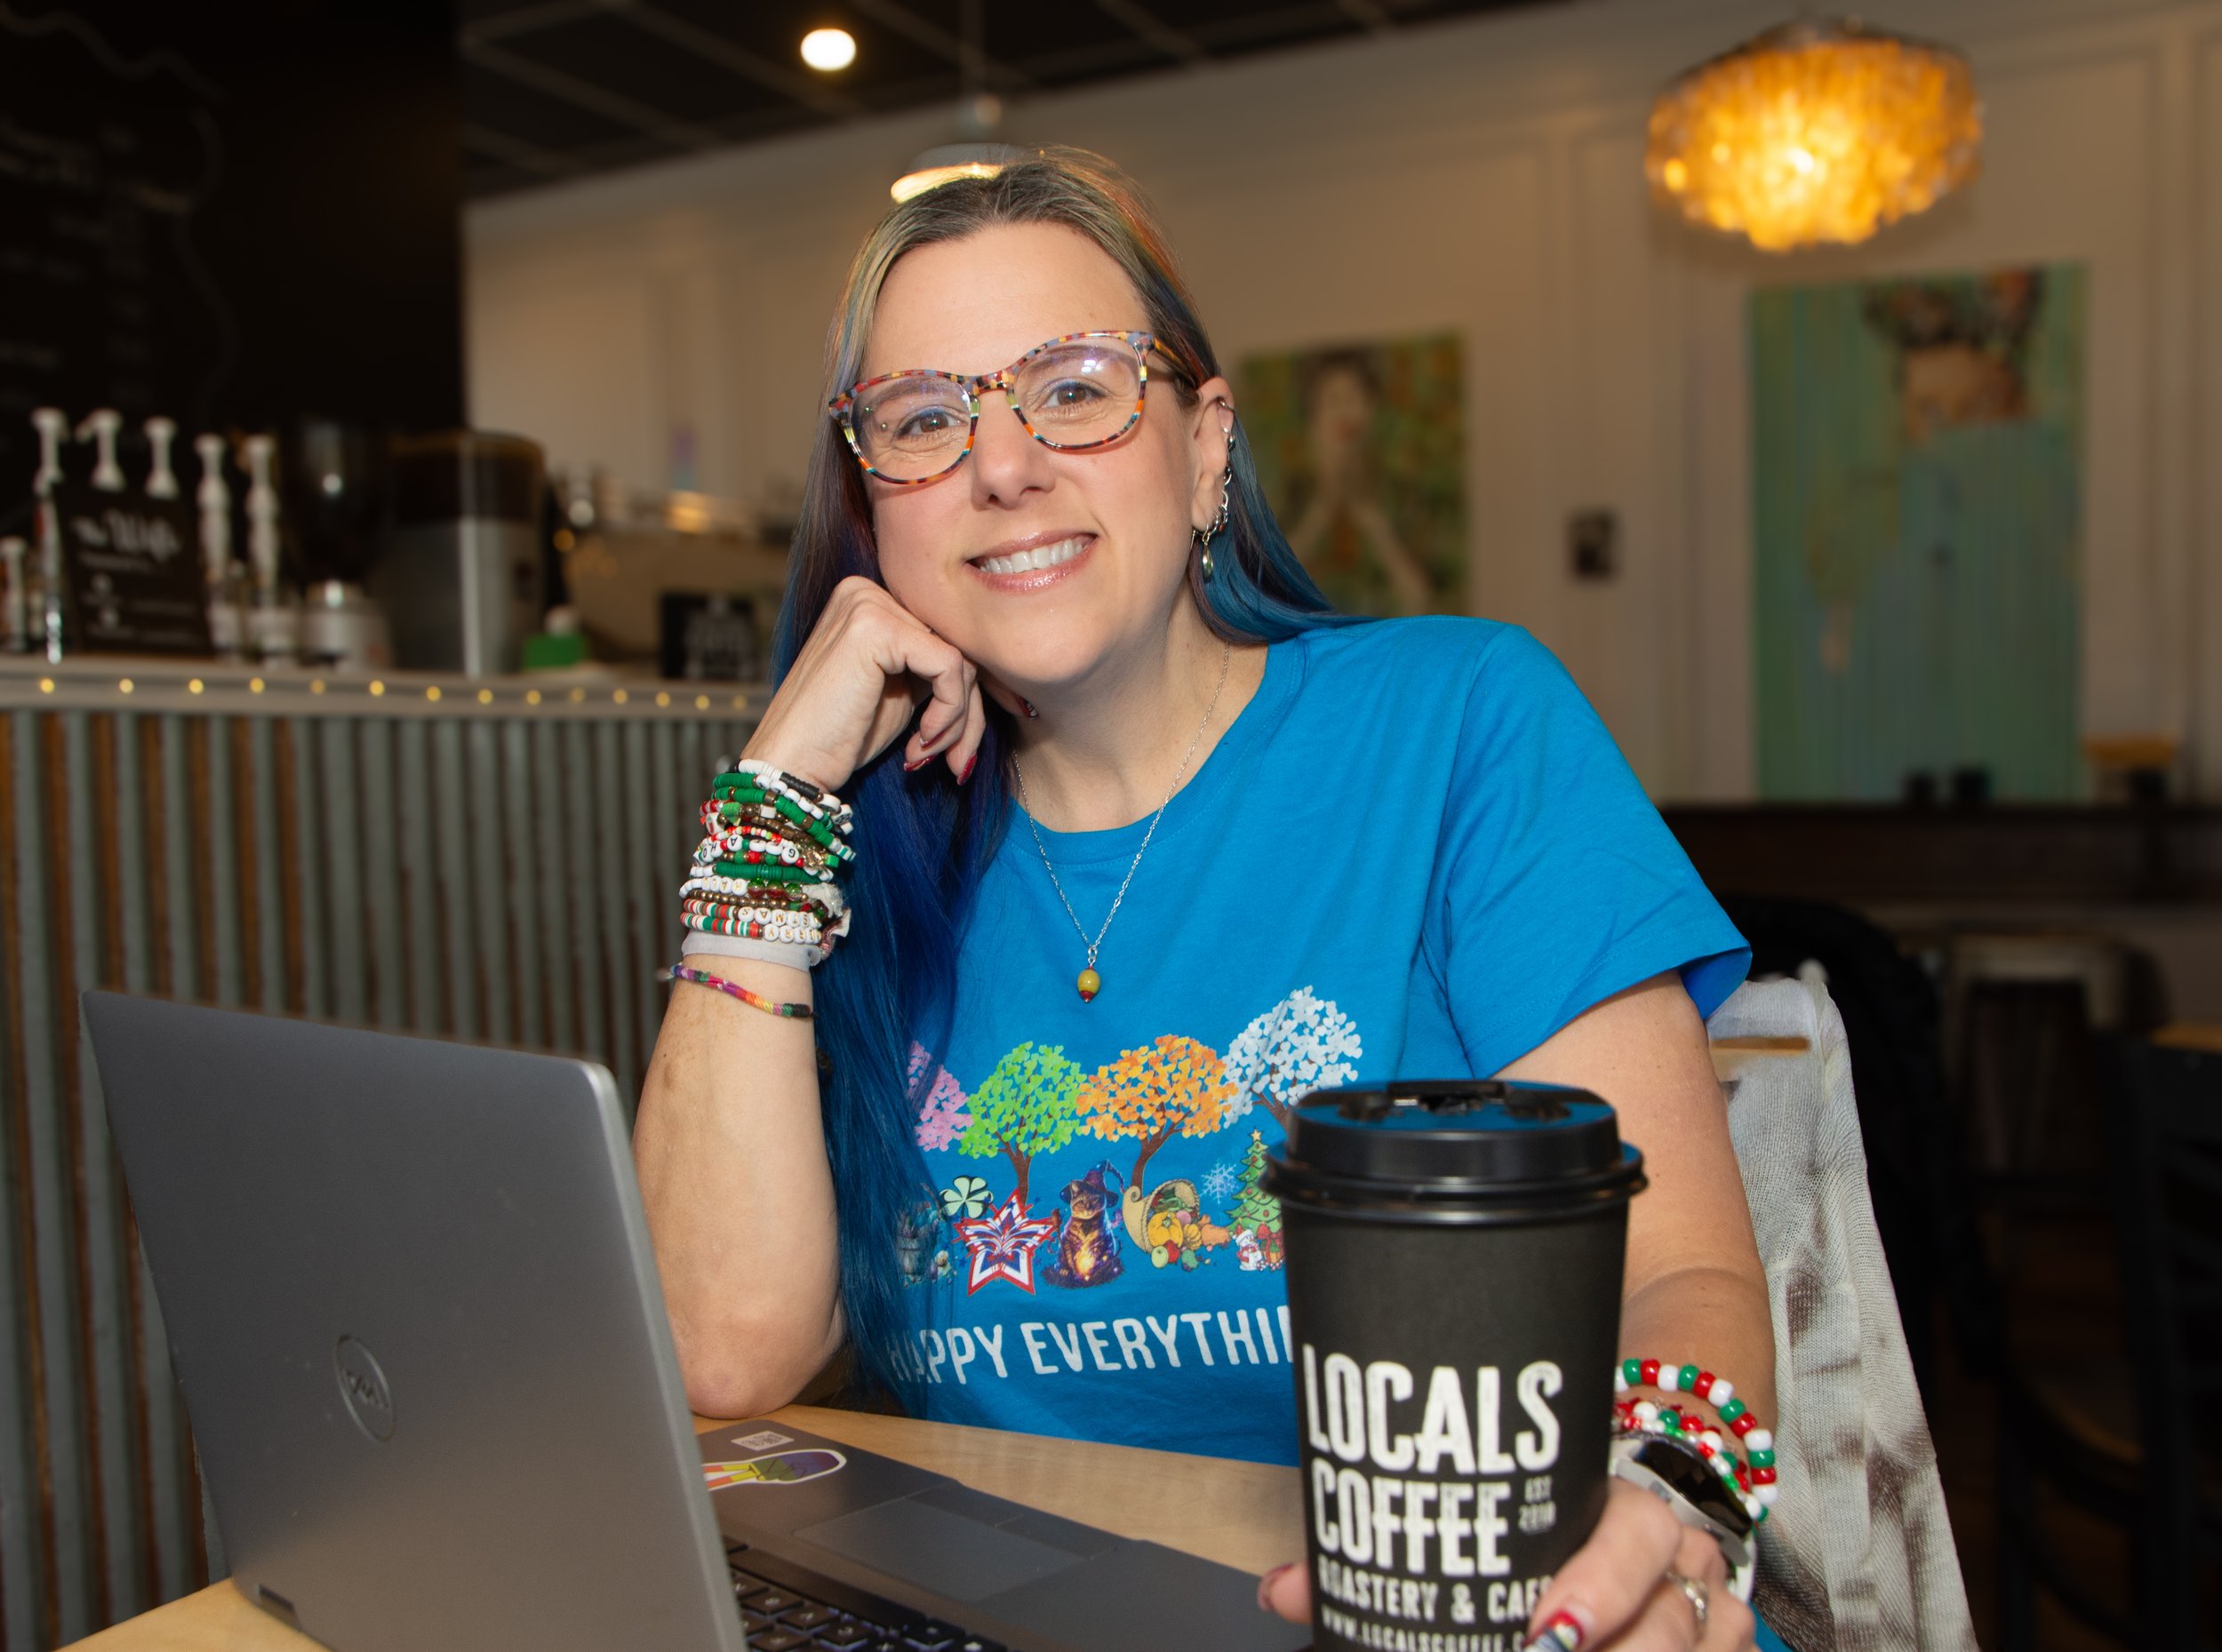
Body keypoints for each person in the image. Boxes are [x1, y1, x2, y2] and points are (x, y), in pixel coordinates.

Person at [635, 148, 1780, 1652]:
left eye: (1077, 387)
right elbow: (718, 1357)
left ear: (1203, 444)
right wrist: (770, 809)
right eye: (922, 420)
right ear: (871, 512)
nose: (1002, 464)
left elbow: (1681, 1271)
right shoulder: (860, 861)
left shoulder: (1462, 723)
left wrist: (1669, 1511)